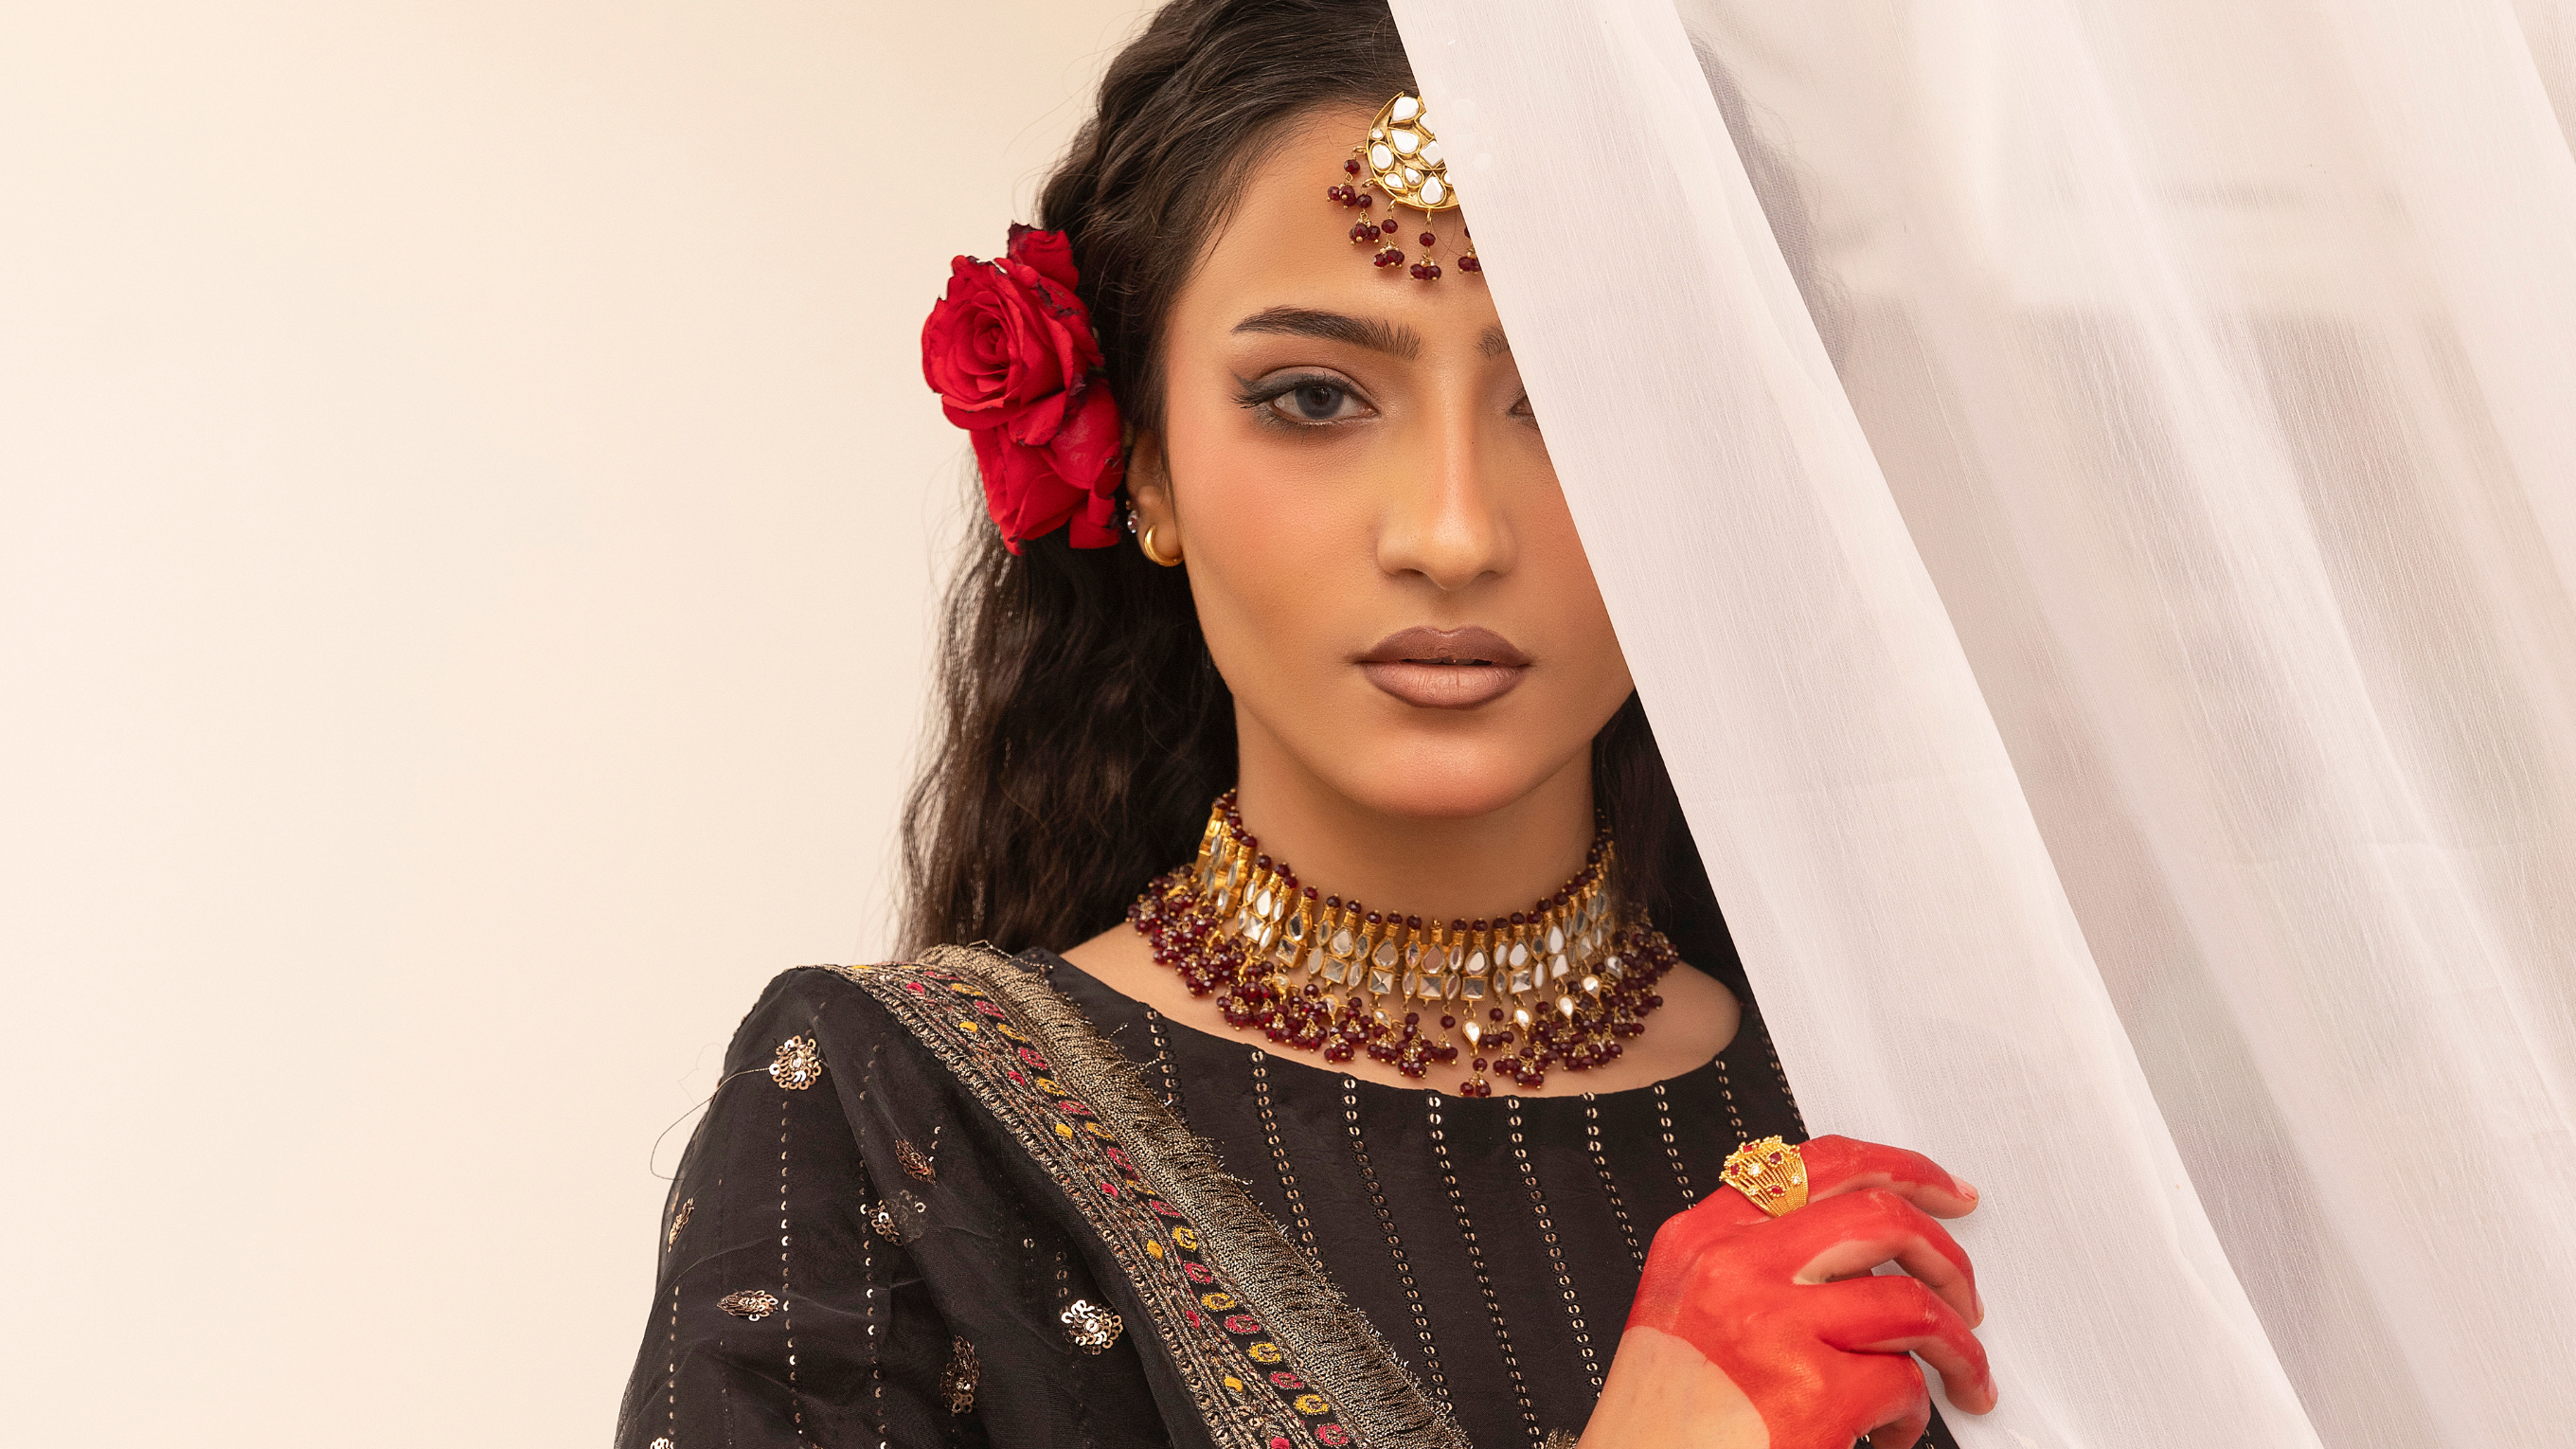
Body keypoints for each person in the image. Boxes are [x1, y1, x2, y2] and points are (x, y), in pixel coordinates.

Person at [616, 3, 1996, 1445]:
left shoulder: (1918, 1143)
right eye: (1316, 395)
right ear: (1140, 459)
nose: (1454, 532)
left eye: (1577, 395)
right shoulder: (895, 1131)